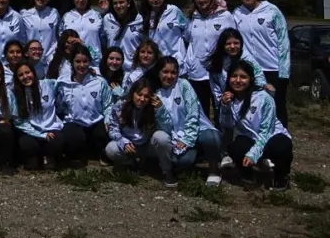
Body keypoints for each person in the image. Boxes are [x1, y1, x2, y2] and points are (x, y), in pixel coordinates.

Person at [219, 60, 293, 190]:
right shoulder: (231, 99)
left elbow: (266, 131)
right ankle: (247, 175)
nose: (238, 80)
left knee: (282, 146)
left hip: (271, 137)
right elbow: (227, 125)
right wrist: (224, 106)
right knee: (235, 147)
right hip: (250, 138)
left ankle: (281, 176)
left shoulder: (264, 98)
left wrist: (253, 154)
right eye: (234, 76)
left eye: (243, 77)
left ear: (251, 79)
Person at [153, 56, 222, 187]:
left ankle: (214, 170)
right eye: (165, 72)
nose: (169, 76)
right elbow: (167, 127)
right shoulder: (157, 94)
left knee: (211, 138)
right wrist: (160, 109)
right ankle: (198, 154)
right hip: (178, 136)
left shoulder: (183, 84)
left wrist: (188, 139)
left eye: (173, 72)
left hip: (198, 129)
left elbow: (193, 112)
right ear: (159, 73)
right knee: (183, 162)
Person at [232, 0, 290, 127]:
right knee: (252, 108)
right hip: (249, 70)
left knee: (277, 108)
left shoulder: (272, 11)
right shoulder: (236, 13)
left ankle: (280, 142)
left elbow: (283, 41)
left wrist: (283, 72)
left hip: (272, 69)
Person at [10, 62, 84, 170]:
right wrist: (42, 135)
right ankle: (35, 157)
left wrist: (87, 74)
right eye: (21, 75)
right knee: (27, 146)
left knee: (58, 141)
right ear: (17, 78)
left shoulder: (47, 84)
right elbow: (19, 122)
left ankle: (50, 156)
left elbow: (64, 80)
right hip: (31, 131)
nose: (25, 76)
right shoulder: (15, 94)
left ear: (33, 73)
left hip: (52, 127)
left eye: (27, 72)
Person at [183, 0, 235, 118]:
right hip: (197, 72)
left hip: (219, 70)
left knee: (222, 109)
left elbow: (233, 40)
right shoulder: (191, 18)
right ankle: (204, 137)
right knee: (201, 111)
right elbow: (188, 39)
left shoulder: (225, 16)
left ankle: (224, 137)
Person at [104, 78, 173, 174]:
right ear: (132, 93)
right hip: (129, 145)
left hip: (147, 145)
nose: (142, 99)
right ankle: (131, 163)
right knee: (111, 149)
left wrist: (161, 110)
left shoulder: (155, 107)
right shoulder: (121, 105)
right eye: (139, 95)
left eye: (146, 96)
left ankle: (167, 171)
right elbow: (112, 127)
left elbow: (168, 129)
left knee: (162, 137)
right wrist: (123, 142)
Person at [57, 44, 112, 160]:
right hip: (74, 122)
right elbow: (59, 107)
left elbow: (108, 105)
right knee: (75, 139)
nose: (82, 65)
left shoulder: (100, 82)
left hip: (96, 121)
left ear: (90, 62)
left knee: (102, 135)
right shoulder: (63, 83)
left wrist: (107, 120)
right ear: (72, 62)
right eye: (77, 61)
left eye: (85, 61)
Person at [207, 28, 269, 112]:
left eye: (236, 43)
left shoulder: (249, 60)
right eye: (228, 44)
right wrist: (222, 101)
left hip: (248, 104)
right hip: (225, 103)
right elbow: (214, 85)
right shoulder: (217, 62)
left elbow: (260, 80)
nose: (232, 46)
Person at [142, 0, 187, 67]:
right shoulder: (145, 16)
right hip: (157, 64)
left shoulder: (174, 10)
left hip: (177, 62)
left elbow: (187, 30)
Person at [62, 0, 104, 68]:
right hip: (73, 62)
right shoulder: (66, 16)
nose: (81, 0)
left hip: (94, 62)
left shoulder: (97, 15)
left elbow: (103, 39)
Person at [21, 0, 61, 67]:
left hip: (50, 57)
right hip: (31, 58)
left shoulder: (54, 13)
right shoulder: (24, 14)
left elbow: (59, 33)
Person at [102, 0, 143, 71]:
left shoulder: (139, 20)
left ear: (128, 3)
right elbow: (103, 42)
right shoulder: (107, 19)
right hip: (113, 67)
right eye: (115, 3)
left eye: (121, 2)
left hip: (133, 68)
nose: (118, 6)